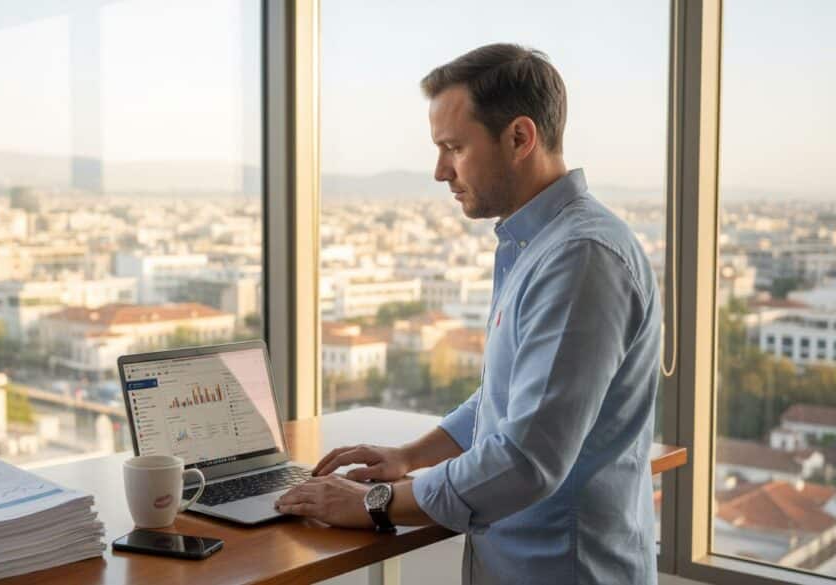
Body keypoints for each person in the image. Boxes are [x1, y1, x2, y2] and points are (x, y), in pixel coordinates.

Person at [275, 43, 662, 585]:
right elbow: (509, 395)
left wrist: (374, 503)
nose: (439, 171)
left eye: (454, 147)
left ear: (520, 138)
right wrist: (408, 457)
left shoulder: (580, 259)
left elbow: (526, 460)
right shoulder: (540, 246)